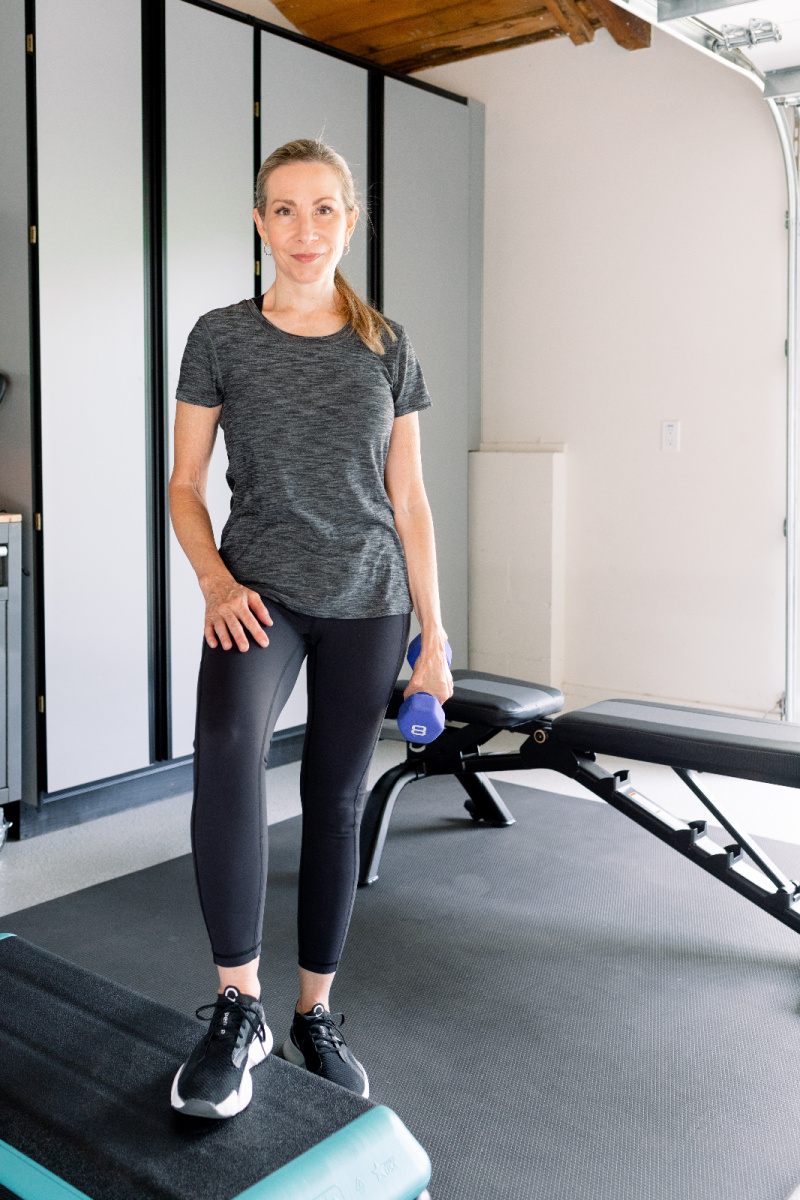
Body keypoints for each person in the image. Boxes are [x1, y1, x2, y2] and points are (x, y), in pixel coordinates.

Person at [167, 138, 453, 1120]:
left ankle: (314, 1014)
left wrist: (436, 640)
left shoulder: (388, 344)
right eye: (282, 210)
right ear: (258, 222)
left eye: (322, 209)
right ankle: (236, 1007)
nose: (302, 229)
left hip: (369, 598)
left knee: (335, 799)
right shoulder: (220, 336)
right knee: (226, 749)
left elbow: (407, 503)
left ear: (349, 220)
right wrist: (211, 581)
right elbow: (183, 485)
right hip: (259, 590)